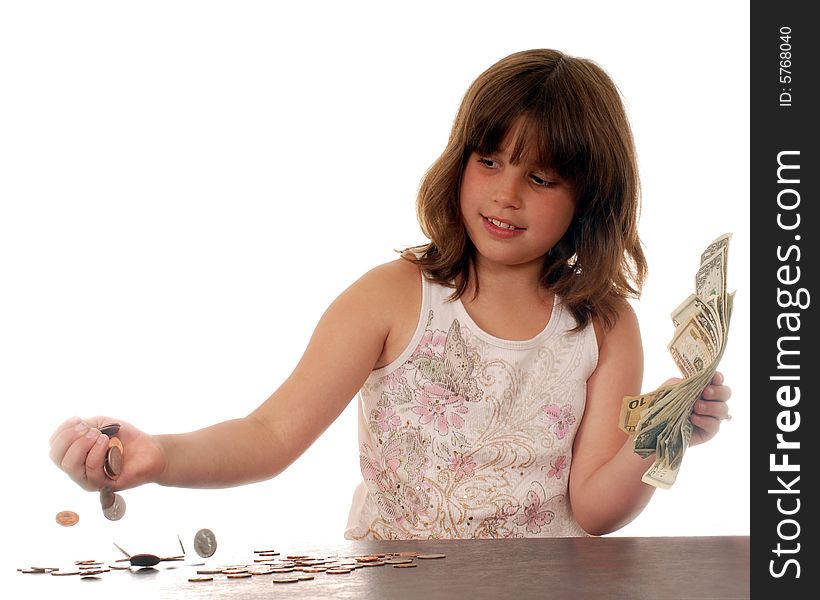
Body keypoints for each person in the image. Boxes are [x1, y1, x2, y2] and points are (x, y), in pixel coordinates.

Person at [48, 48, 732, 539]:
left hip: (545, 588)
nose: (505, 193)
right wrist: (159, 457)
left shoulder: (604, 325)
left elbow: (593, 508)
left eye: (541, 178)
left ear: (588, 195)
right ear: (459, 160)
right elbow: (271, 435)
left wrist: (660, 435)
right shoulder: (394, 297)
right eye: (489, 160)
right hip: (401, 587)